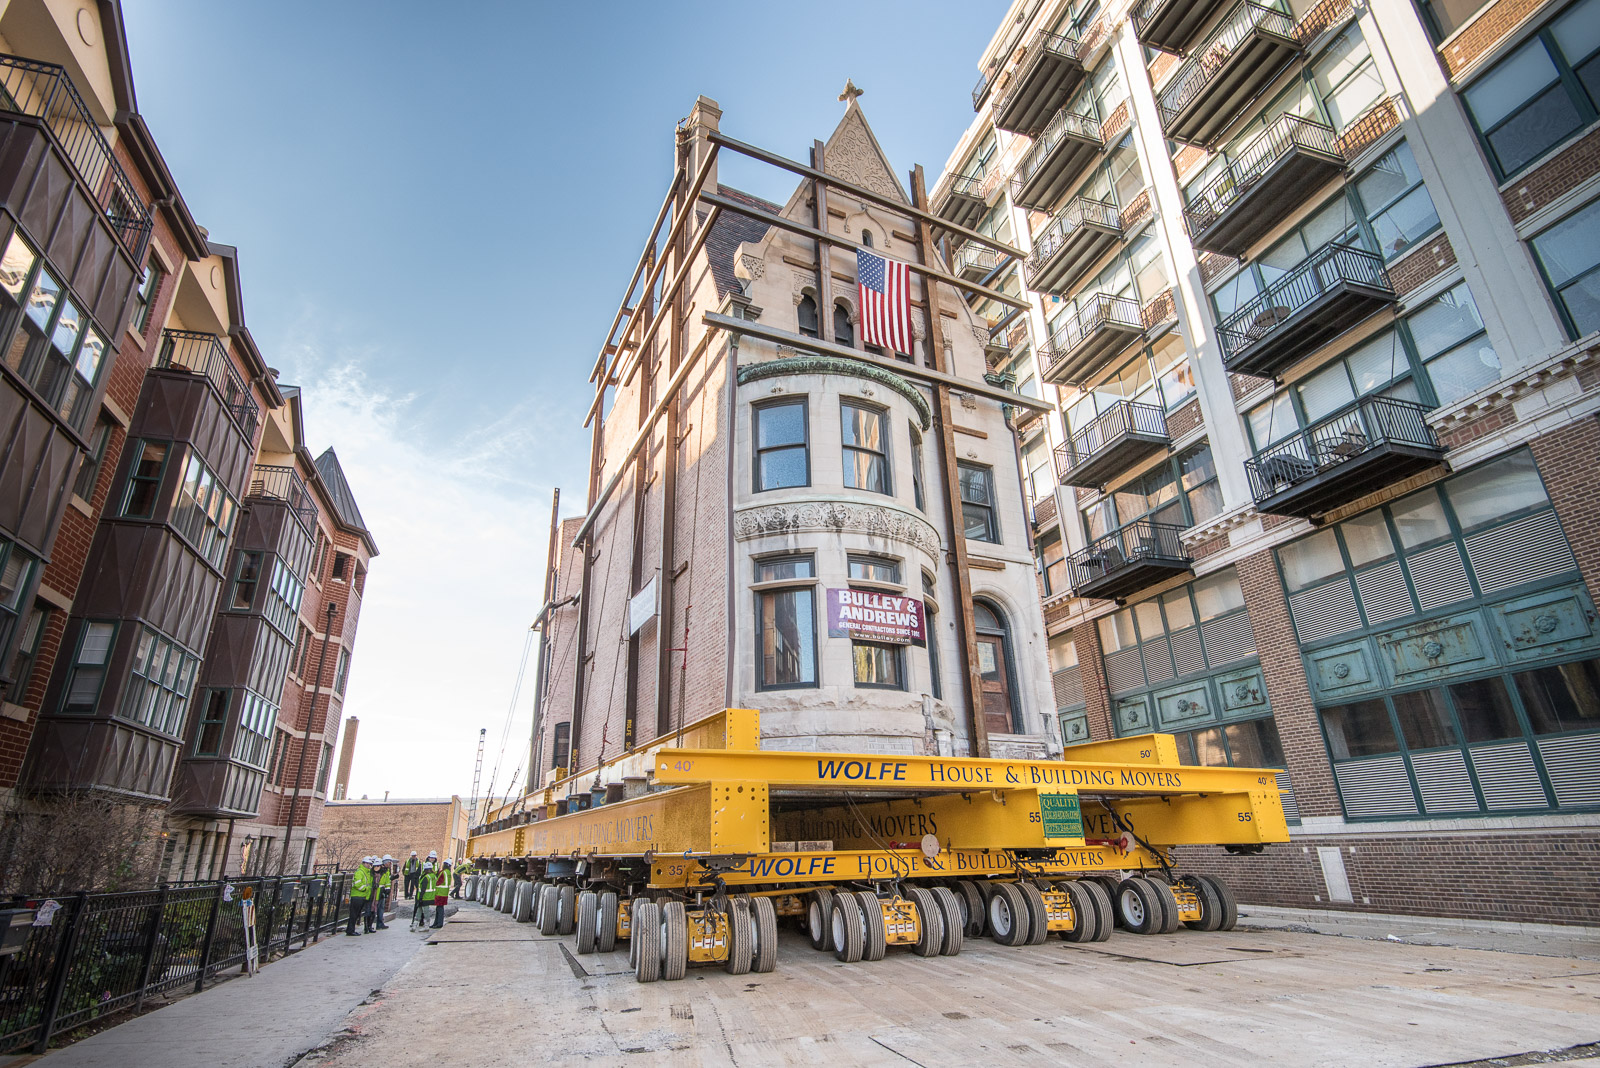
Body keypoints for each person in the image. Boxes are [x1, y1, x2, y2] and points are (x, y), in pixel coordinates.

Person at [347, 856, 373, 936]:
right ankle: (350, 930)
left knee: (356, 914)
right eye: (368, 863)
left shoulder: (366, 872)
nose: (369, 865)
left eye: (370, 864)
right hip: (357, 896)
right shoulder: (360, 872)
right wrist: (366, 889)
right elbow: (357, 884)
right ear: (364, 863)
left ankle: (351, 930)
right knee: (354, 914)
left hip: (362, 896)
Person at [411, 861, 435, 930]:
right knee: (419, 911)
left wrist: (420, 898)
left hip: (424, 897)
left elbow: (423, 889)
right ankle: (415, 925)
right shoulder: (433, 876)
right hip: (430, 897)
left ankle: (426, 926)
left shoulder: (426, 877)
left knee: (425, 912)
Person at [374, 856, 394, 930]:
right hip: (378, 891)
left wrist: (387, 889)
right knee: (376, 908)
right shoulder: (381, 870)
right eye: (389, 862)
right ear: (386, 862)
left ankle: (380, 923)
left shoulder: (386, 870)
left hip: (382, 891)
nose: (390, 864)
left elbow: (387, 881)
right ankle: (376, 924)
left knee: (381, 908)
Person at [432, 859, 452, 929]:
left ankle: (438, 923)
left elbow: (438, 881)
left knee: (439, 909)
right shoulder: (448, 873)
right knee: (440, 908)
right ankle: (436, 923)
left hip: (440, 893)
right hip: (445, 893)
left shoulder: (443, 872)